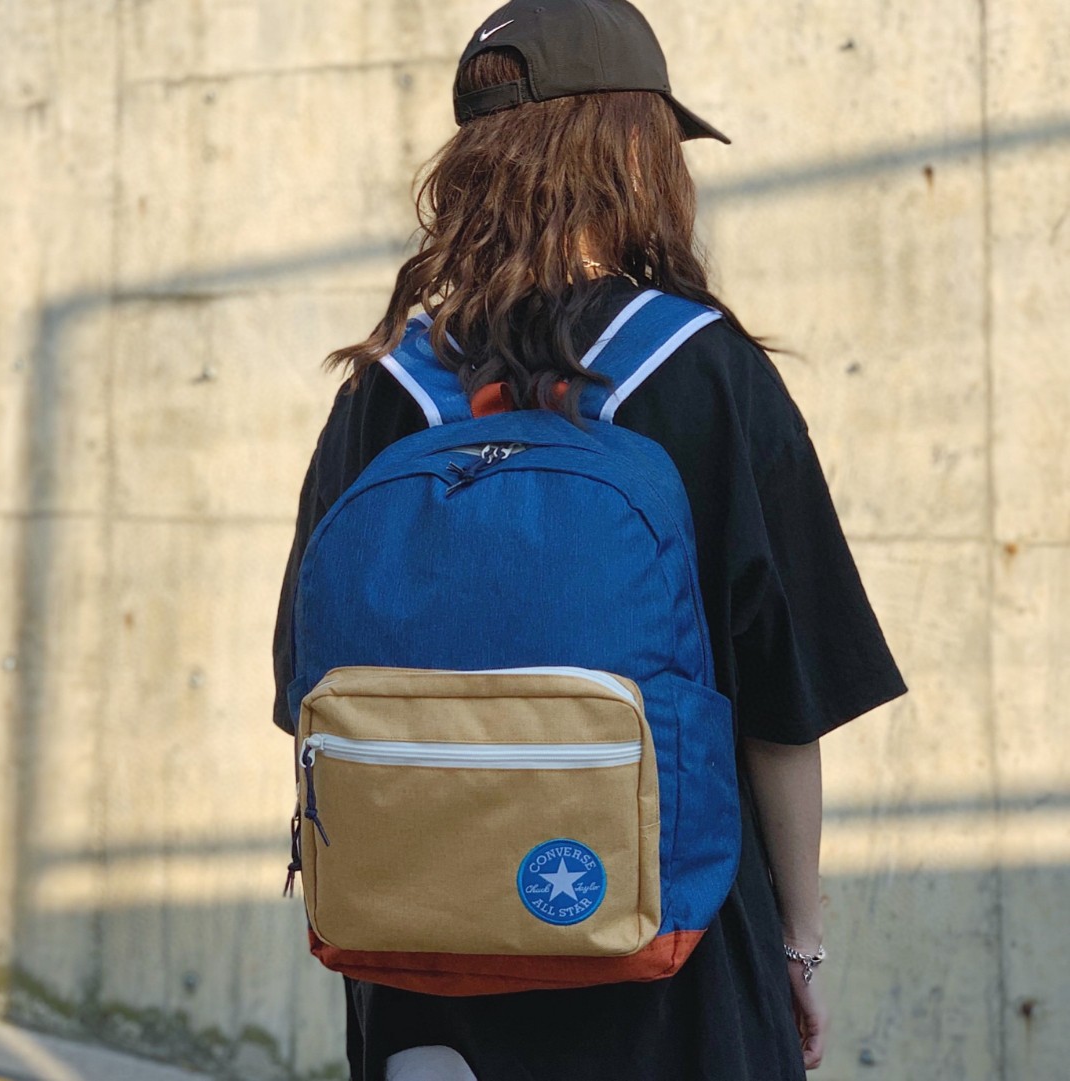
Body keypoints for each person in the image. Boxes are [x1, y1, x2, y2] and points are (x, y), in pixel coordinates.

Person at [272, 2, 907, 1078]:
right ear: (637, 152)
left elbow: (308, 688)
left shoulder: (388, 387)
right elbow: (785, 699)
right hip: (666, 942)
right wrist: (800, 942)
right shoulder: (705, 368)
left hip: (423, 955)